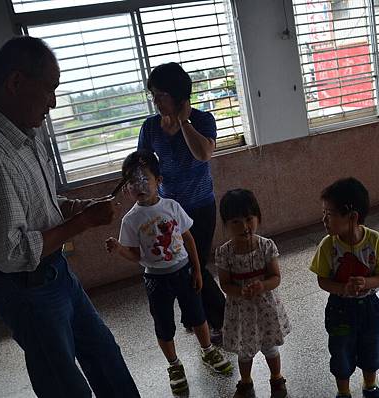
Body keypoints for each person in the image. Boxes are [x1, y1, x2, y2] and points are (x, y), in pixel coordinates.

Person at [0, 36, 140, 397]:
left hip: (56, 273)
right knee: (64, 385)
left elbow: (40, 204)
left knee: (104, 355)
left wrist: (78, 207)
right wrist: (83, 223)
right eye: (50, 89)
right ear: (16, 82)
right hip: (24, 289)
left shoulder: (27, 130)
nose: (54, 103)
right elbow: (13, 253)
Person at [105, 149, 232, 395]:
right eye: (132, 182)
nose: (139, 186)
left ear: (159, 181)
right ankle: (174, 365)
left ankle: (208, 350)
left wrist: (196, 269)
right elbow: (135, 255)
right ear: (126, 188)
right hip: (155, 279)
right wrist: (120, 249)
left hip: (183, 271)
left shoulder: (172, 206)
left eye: (145, 179)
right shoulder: (130, 220)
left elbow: (189, 240)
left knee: (197, 316)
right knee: (164, 325)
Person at [137, 62, 225, 344]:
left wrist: (183, 122)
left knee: (190, 264)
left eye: (161, 95)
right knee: (181, 265)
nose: (156, 101)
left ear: (177, 95)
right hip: (168, 211)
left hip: (200, 206)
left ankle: (219, 317)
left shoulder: (202, 120)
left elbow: (203, 154)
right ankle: (197, 316)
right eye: (153, 95)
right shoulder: (151, 126)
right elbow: (144, 164)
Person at [310, 178, 379, 398]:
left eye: (329, 214)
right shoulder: (328, 246)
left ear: (352, 217)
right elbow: (322, 280)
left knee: (371, 348)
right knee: (340, 352)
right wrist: (341, 288)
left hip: (370, 308)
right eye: (324, 214)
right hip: (339, 309)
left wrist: (368, 283)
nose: (324, 220)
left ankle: (370, 386)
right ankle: (344, 392)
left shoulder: (374, 241)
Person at [215, 189, 291, 398]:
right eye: (236, 222)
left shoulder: (266, 246)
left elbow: (275, 277)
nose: (244, 226)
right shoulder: (224, 252)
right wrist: (239, 291)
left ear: (258, 217)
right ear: (226, 225)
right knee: (244, 350)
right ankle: (246, 382)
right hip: (240, 310)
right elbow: (225, 284)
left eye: (249, 219)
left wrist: (262, 286)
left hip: (266, 306)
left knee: (270, 347)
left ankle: (277, 378)